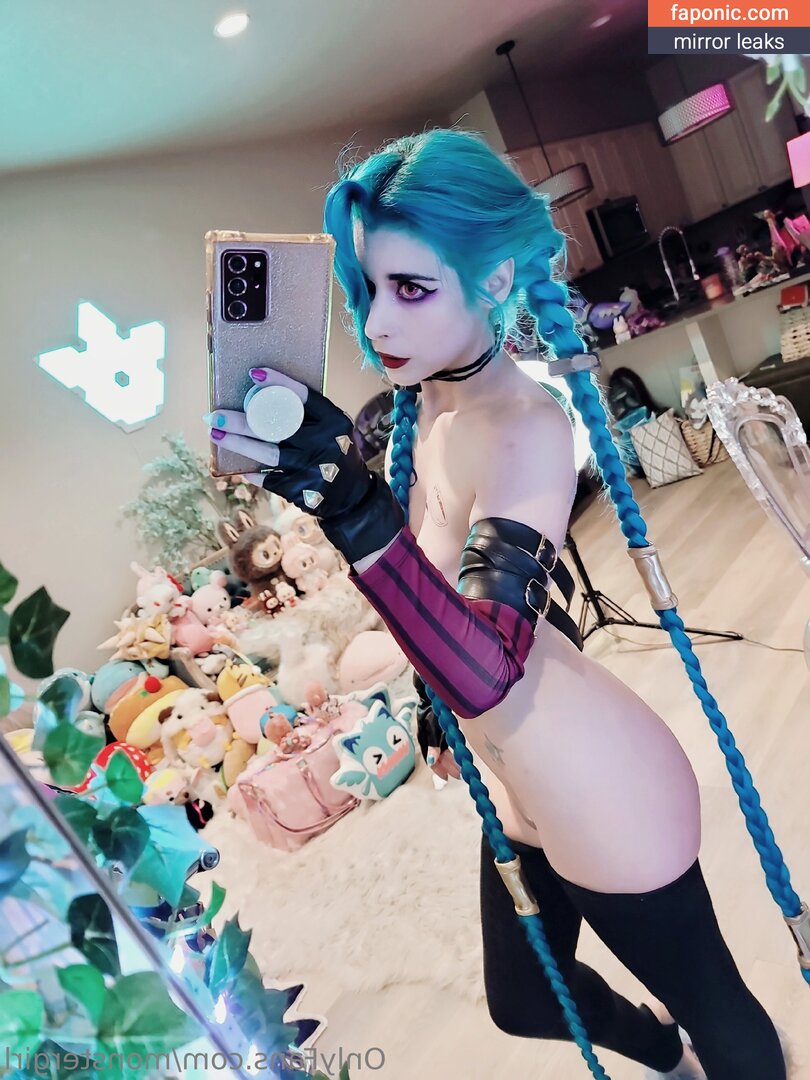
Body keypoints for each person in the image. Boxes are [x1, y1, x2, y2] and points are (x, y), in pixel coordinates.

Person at [207, 129, 788, 1079]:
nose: (377, 322)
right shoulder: (435, 411)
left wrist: (357, 514)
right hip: (521, 781)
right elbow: (448, 616)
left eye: (411, 289)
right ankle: (666, 1054)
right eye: (368, 289)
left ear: (498, 279)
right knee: (525, 1001)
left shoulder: (525, 426)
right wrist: (411, 687)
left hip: (598, 784)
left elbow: (494, 659)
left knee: (722, 1014)